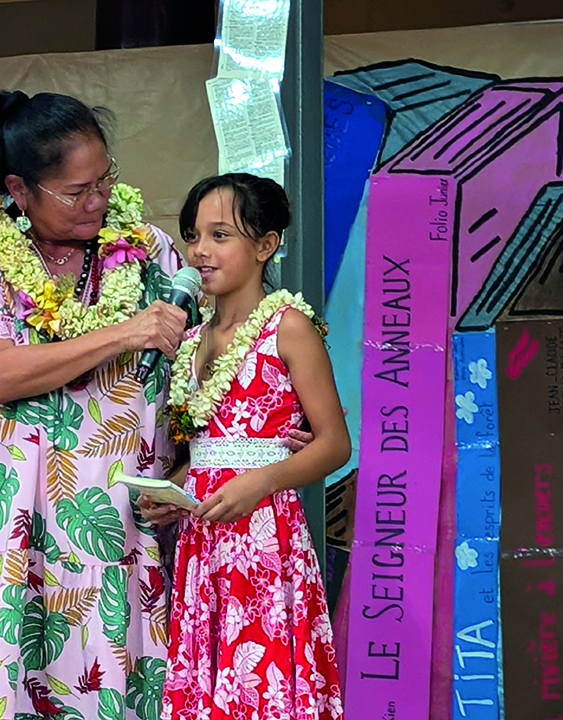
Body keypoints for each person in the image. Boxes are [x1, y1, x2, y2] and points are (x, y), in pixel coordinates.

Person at [0, 90, 191, 720]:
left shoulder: (146, 248)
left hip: (116, 520)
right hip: (11, 520)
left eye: (104, 180)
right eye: (75, 191)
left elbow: (199, 367)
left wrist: (189, 467)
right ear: (21, 187)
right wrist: (124, 332)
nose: (96, 201)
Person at [154, 174, 351, 719]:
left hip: (265, 536)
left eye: (220, 235)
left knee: (263, 684)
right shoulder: (189, 341)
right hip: (202, 535)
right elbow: (204, 452)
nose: (199, 251)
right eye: (193, 236)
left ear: (265, 245)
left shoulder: (290, 328)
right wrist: (172, 491)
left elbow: (335, 443)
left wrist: (262, 480)